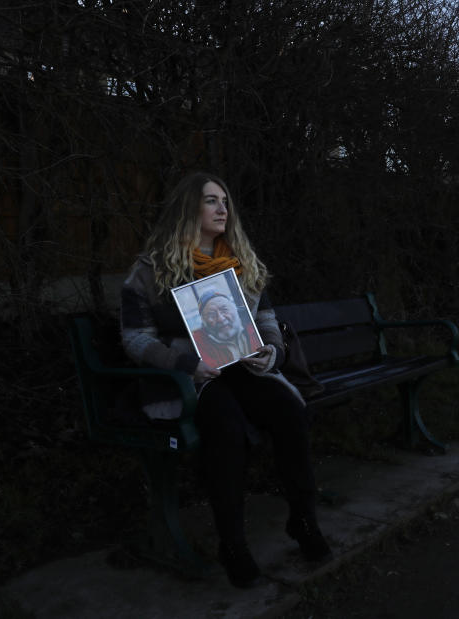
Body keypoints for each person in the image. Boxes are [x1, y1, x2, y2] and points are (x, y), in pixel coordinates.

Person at [120, 171, 331, 588]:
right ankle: (232, 544)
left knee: (289, 411)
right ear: (187, 209)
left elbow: (268, 322)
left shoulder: (239, 259)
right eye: (211, 201)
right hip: (192, 379)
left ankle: (303, 521)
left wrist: (272, 352)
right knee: (226, 425)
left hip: (243, 368)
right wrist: (182, 362)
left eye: (225, 201)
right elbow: (134, 337)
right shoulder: (151, 269)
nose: (222, 209)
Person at [192, 289, 259, 368]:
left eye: (224, 310)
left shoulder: (253, 325)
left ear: (235, 310)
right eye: (211, 314)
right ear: (204, 322)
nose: (221, 319)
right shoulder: (199, 343)